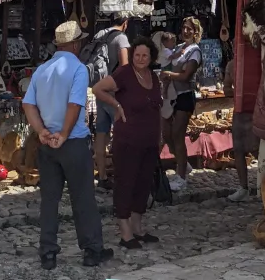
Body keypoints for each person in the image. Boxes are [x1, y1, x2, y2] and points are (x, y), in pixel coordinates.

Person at [22, 19, 113, 272]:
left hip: (47, 143)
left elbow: (28, 104)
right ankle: (92, 250)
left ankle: (48, 253)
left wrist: (41, 131)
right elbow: (75, 104)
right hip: (72, 142)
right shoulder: (78, 69)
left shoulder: (42, 70)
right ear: (75, 45)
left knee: (49, 200)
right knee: (83, 198)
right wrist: (63, 133)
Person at [93, 36, 163, 248]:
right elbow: (98, 88)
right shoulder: (124, 73)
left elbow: (157, 109)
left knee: (143, 184)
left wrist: (160, 136)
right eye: (137, 55)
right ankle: (125, 233)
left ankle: (137, 228)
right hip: (128, 139)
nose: (140, 59)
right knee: (126, 183)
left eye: (145, 55)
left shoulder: (153, 77)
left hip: (149, 140)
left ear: (151, 57)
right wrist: (116, 105)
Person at [159, 16, 203, 192]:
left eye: (189, 29)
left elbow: (186, 76)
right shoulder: (178, 48)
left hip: (185, 96)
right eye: (184, 27)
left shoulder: (195, 51)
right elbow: (168, 65)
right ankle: (183, 162)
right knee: (166, 133)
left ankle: (181, 176)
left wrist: (169, 75)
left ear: (195, 32)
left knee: (178, 134)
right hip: (171, 95)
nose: (185, 31)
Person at [93, 15, 131, 189]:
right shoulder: (121, 38)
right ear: (125, 23)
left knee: (101, 133)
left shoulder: (100, 34)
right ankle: (123, 175)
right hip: (114, 94)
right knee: (122, 134)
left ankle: (102, 176)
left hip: (99, 91)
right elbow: (124, 67)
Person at [223, 57, 257, 202]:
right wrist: (238, 92)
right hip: (240, 111)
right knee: (238, 150)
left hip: (258, 110)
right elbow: (226, 89)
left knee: (259, 150)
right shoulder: (232, 65)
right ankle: (243, 188)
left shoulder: (257, 60)